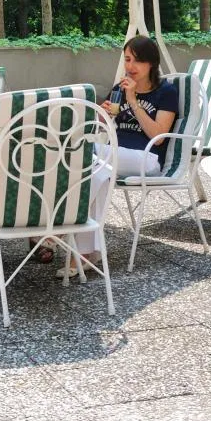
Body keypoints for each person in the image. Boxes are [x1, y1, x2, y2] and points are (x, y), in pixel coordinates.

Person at [65, 35, 178, 279]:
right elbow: (104, 127)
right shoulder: (120, 88)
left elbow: (158, 137)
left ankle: (61, 226)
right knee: (98, 172)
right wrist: (102, 116)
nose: (130, 66)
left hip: (147, 160)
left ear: (151, 63)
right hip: (113, 155)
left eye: (137, 61)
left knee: (87, 154)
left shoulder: (166, 92)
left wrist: (134, 102)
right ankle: (87, 253)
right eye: (127, 59)